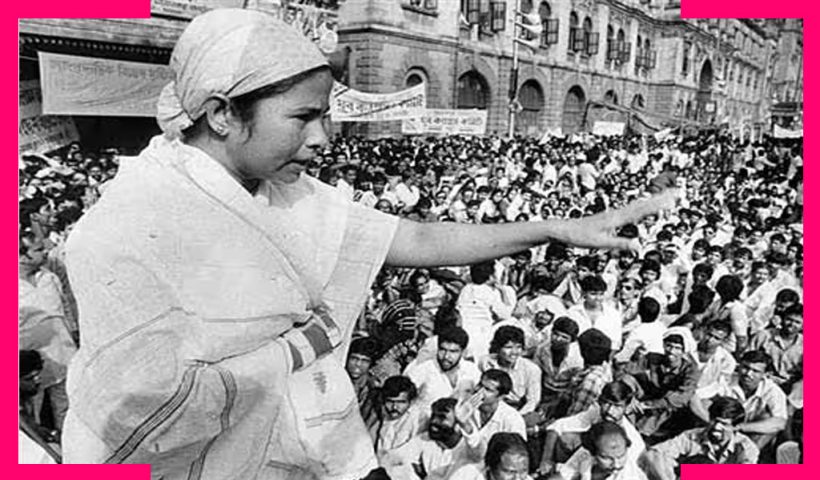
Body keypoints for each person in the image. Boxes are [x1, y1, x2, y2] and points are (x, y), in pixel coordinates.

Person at [60, 9, 678, 478]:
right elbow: (137, 405)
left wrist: (553, 228)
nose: (324, 137)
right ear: (223, 113)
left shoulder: (282, 190)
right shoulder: (127, 225)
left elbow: (411, 235)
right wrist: (298, 349)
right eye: (303, 118)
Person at [537, 381, 645, 476]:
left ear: (627, 407)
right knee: (568, 438)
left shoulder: (632, 439)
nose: (610, 410)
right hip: (580, 466)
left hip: (608, 474)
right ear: (600, 401)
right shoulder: (595, 413)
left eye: (617, 406)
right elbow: (556, 426)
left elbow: (623, 471)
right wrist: (546, 459)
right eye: (607, 403)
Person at [644, 396, 759, 479]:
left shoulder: (747, 447)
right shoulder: (692, 436)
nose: (716, 427)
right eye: (714, 421)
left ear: (735, 427)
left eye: (724, 424)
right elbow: (653, 454)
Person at [404, 327, 481, 418]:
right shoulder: (421, 371)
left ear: (463, 352)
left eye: (453, 351)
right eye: (442, 350)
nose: (446, 356)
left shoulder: (472, 371)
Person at [550, 421, 648, 480]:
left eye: (621, 456)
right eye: (606, 458)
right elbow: (562, 476)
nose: (616, 464)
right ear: (593, 453)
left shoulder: (629, 476)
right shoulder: (584, 454)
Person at [478, 326, 542, 414]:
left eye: (518, 347)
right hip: (487, 406)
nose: (514, 352)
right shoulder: (485, 361)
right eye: (508, 347)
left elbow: (533, 401)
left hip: (516, 410)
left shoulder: (532, 369)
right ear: (498, 347)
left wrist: (515, 417)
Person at [371, 376, 424, 460]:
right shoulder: (380, 414)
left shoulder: (418, 420)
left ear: (411, 402)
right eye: (390, 401)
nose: (394, 407)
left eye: (401, 402)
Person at [449, 432, 532, 480]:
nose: (517, 479)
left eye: (523, 471)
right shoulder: (466, 476)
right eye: (510, 472)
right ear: (490, 466)